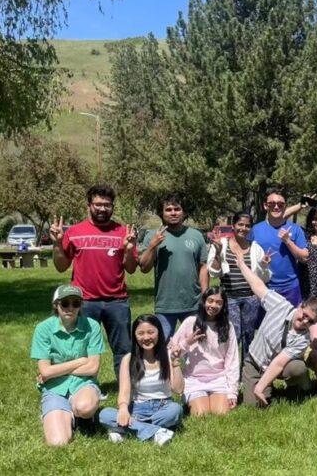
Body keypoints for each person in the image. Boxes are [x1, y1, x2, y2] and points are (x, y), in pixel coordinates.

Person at [50, 185, 137, 379]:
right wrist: (57, 243)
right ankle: (84, 388)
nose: (102, 209)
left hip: (117, 302)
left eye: (107, 205)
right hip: (85, 301)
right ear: (89, 205)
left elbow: (131, 268)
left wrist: (129, 249)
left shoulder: (123, 232)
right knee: (81, 349)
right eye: (98, 204)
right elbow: (61, 266)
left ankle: (126, 389)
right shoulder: (74, 232)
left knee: (123, 349)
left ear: (112, 207)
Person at [234, 250, 317, 407]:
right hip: (255, 361)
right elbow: (258, 285)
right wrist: (241, 263)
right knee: (253, 407)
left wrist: (260, 388)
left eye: (310, 321)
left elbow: (279, 363)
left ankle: (300, 386)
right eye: (304, 314)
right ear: (300, 306)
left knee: (298, 367)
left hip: (277, 366)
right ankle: (266, 387)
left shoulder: (303, 339)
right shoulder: (280, 304)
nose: (304, 320)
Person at [31, 285, 104, 446]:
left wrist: (54, 371)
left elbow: (93, 368)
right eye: (65, 303)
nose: (70, 308)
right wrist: (80, 361)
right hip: (54, 388)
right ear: (56, 305)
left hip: (83, 383)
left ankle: (82, 414)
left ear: (81, 305)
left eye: (75, 303)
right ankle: (68, 415)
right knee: (58, 442)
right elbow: (44, 370)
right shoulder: (43, 329)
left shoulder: (92, 326)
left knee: (84, 407)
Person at [99, 315, 184, 445]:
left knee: (176, 410)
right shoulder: (128, 359)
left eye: (151, 332)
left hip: (163, 408)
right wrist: (123, 409)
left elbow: (178, 389)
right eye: (140, 333)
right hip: (136, 410)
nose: (146, 338)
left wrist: (175, 362)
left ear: (159, 333)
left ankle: (127, 430)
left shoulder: (167, 355)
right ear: (134, 336)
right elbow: (125, 391)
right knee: (104, 414)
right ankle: (157, 432)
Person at [139, 192, 209, 340]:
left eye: (177, 209)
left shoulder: (196, 236)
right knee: (163, 349)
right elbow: (144, 268)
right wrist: (153, 246)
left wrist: (205, 294)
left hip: (193, 303)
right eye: (168, 209)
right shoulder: (153, 235)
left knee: (196, 347)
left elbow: (203, 266)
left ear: (184, 212)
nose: (173, 213)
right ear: (162, 213)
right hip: (165, 304)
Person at [207, 212, 272, 361]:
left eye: (247, 225)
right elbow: (214, 272)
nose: (243, 228)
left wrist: (263, 264)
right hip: (229, 298)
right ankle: (231, 371)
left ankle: (247, 371)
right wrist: (217, 252)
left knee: (249, 335)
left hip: (250, 298)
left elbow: (264, 278)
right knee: (232, 335)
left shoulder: (255, 248)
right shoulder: (221, 244)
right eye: (240, 224)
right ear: (233, 226)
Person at [169, 287, 239, 415]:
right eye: (210, 301)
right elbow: (172, 352)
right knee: (201, 414)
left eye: (219, 302)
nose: (213, 305)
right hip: (195, 379)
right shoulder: (190, 323)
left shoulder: (227, 327)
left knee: (221, 414)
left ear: (223, 305)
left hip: (219, 379)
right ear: (203, 302)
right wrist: (186, 343)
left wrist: (232, 392)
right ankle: (192, 400)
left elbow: (232, 361)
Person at [249, 187, 309, 307]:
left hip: (291, 287)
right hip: (264, 288)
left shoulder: (295, 229)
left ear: (285, 207)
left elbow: (304, 258)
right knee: (265, 325)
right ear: (265, 206)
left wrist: (288, 241)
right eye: (272, 204)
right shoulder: (255, 230)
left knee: (291, 325)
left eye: (280, 204)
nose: (276, 207)